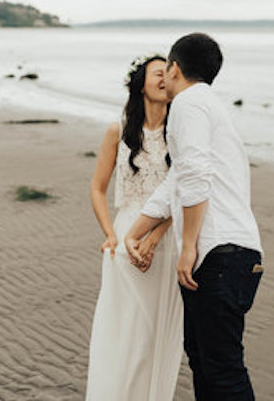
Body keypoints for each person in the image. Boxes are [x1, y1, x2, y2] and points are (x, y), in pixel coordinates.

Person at [126, 33, 264, 400]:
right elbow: (177, 178)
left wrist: (188, 246)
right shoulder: (208, 105)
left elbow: (195, 175)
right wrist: (136, 231)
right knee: (205, 361)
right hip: (233, 255)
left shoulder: (188, 104)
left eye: (165, 70)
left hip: (219, 254)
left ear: (175, 68)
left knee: (220, 369)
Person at [85, 54, 183, 401]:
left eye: (169, 74)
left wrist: (155, 238)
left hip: (167, 239)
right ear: (141, 82)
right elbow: (97, 188)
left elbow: (183, 192)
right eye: (158, 72)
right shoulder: (118, 130)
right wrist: (111, 234)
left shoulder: (180, 133)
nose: (164, 78)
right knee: (124, 329)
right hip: (124, 238)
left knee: (155, 333)